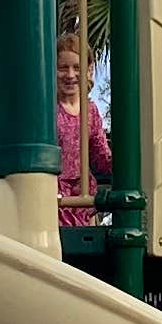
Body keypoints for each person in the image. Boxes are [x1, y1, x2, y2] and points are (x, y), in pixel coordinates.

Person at [56, 21, 111, 226]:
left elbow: (99, 156)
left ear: (88, 71)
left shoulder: (91, 111)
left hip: (83, 196)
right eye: (63, 68)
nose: (70, 75)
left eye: (77, 68)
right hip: (54, 195)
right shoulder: (50, 110)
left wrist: (122, 159)